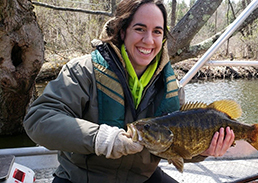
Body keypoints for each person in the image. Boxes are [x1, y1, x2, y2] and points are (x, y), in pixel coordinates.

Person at [23, 0, 235, 182]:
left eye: (157, 32)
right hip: (81, 178)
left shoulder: (170, 87)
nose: (149, 40)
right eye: (140, 29)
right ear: (123, 30)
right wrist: (100, 139)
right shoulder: (82, 71)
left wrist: (204, 151)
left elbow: (177, 148)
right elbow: (38, 120)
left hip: (142, 178)